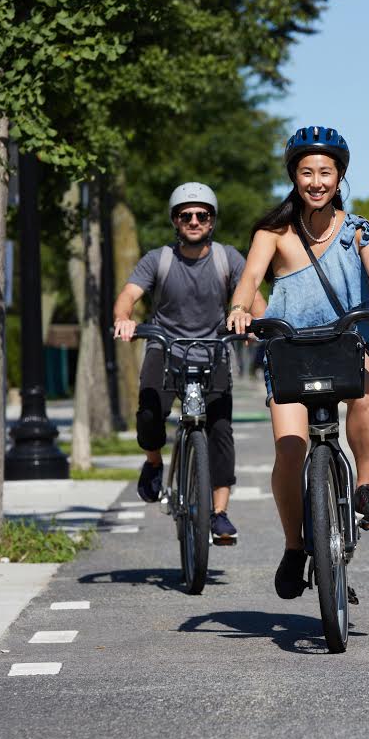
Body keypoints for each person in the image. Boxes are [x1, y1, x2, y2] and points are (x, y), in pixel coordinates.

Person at [227, 125, 369, 597]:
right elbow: (250, 278)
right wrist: (239, 309)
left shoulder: (359, 230)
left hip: (345, 345)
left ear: (339, 177)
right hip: (290, 349)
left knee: (366, 388)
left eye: (325, 172)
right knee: (290, 450)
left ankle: (365, 487)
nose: (316, 181)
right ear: (294, 176)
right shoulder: (274, 232)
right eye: (306, 171)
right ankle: (294, 547)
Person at [114, 181, 266, 542]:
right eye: (187, 216)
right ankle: (153, 464)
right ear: (176, 221)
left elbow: (253, 297)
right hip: (165, 349)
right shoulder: (158, 260)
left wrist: (257, 325)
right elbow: (128, 296)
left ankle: (219, 514)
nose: (194, 220)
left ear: (211, 221)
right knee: (150, 415)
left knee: (220, 430)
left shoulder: (227, 258)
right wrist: (124, 318)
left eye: (202, 215)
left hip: (213, 352)